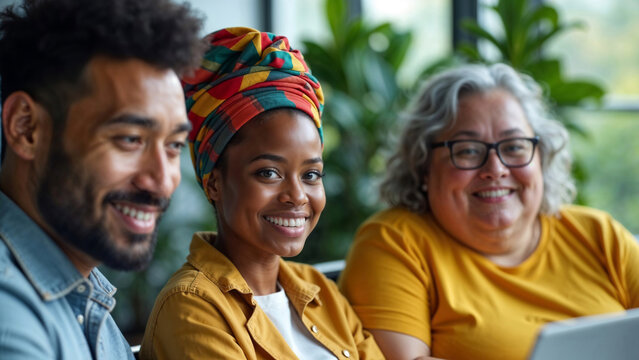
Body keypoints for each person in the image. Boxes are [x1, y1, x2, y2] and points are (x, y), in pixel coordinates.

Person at [338, 63, 639, 360]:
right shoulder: (394, 241)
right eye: (468, 150)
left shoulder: (600, 235)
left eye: (514, 147)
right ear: (424, 166)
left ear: (542, 157)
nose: (495, 169)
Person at [140, 27, 383, 360]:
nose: (297, 196)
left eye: (311, 174)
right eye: (269, 172)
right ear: (214, 182)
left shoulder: (319, 291)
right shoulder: (192, 306)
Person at [0, 0, 203, 358]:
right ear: (26, 128)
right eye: (130, 139)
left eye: (173, 146)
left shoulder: (81, 290)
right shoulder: (10, 313)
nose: (162, 180)